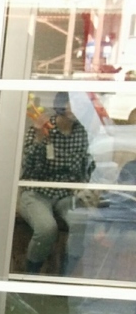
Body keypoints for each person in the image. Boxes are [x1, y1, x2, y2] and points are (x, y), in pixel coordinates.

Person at [17, 93, 93, 273]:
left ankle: (65, 273)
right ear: (61, 105)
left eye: (81, 105)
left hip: (66, 193)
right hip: (37, 191)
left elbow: (86, 166)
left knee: (80, 223)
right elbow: (28, 168)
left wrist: (86, 187)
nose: (78, 109)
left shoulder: (81, 132)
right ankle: (31, 274)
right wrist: (39, 138)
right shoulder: (43, 127)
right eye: (73, 104)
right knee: (46, 228)